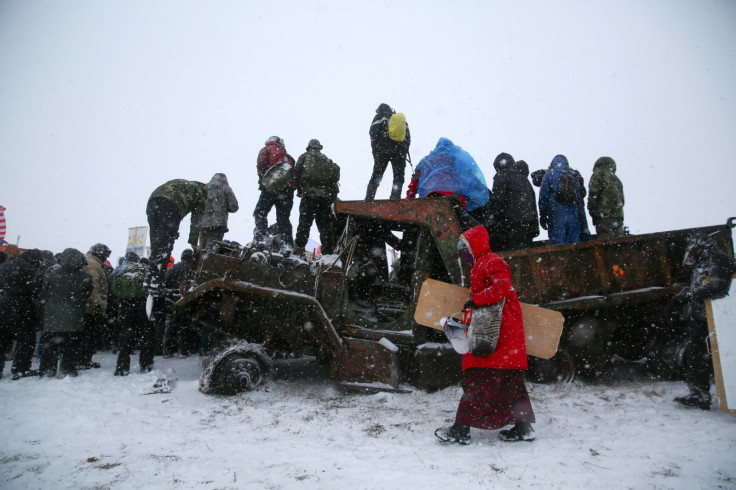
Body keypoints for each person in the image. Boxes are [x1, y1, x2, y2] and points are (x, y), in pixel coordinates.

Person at [435, 225, 535, 444]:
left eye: (466, 248)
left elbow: (502, 289)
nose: (464, 254)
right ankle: (523, 427)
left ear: (476, 245)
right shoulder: (484, 263)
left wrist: (475, 300)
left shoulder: (492, 262)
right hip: (498, 331)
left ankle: (460, 430)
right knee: (508, 381)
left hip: (496, 332)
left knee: (477, 379)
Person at [669, 232, 736, 409]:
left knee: (706, 355)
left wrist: (690, 294)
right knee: (696, 354)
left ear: (704, 248)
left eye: (696, 250)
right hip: (705, 317)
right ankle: (698, 394)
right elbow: (698, 286)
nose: (693, 255)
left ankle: (705, 395)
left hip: (719, 318)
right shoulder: (704, 262)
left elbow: (717, 287)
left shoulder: (719, 260)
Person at [406, 137, 488, 230]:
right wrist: (481, 191)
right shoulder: (455, 159)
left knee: (429, 229)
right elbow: (470, 178)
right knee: (465, 229)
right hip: (453, 199)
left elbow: (414, 183)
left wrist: (409, 201)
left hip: (430, 200)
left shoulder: (424, 161)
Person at [38, 248, 93, 378]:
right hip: (74, 315)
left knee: (50, 344)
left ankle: (47, 369)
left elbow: (43, 293)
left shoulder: (52, 274)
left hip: (53, 315)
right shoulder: (85, 277)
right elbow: (86, 295)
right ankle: (67, 367)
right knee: (70, 344)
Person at [146, 179, 207, 285]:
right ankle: (156, 281)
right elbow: (196, 221)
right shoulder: (204, 193)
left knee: (156, 243)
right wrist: (193, 242)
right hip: (172, 204)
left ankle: (150, 278)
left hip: (153, 200)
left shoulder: (189, 185)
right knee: (166, 242)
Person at [0, 248, 44, 379]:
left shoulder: (4, 266)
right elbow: (36, 290)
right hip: (21, 307)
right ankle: (20, 369)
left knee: (2, 339)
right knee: (26, 340)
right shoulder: (30, 270)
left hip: (2, 305)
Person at [293, 139, 341, 256]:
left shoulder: (304, 157)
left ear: (309, 147)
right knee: (324, 227)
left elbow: (297, 173)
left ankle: (299, 248)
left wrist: (300, 188)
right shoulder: (326, 160)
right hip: (324, 199)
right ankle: (327, 253)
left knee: (304, 223)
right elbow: (333, 178)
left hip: (309, 195)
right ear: (319, 148)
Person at [110, 252, 153, 375]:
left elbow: (114, 288)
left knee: (125, 336)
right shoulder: (146, 270)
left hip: (125, 305)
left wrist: (124, 298)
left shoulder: (122, 270)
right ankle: (145, 364)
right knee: (146, 335)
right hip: (143, 305)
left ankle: (122, 367)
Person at [486, 153, 539, 250]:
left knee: (514, 253)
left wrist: (491, 221)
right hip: (529, 224)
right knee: (525, 252)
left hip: (512, 223)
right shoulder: (524, 178)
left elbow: (498, 201)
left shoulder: (502, 175)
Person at [253, 136, 296, 247]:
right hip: (287, 190)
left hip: (272, 186)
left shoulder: (267, 148)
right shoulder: (289, 157)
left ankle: (260, 239)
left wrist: (262, 179)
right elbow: (294, 177)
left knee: (260, 212)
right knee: (283, 218)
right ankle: (287, 245)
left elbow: (261, 164)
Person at [365, 103, 411, 200]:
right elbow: (408, 137)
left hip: (383, 151)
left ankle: (369, 200)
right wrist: (404, 151)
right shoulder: (399, 120)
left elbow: (373, 134)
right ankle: (395, 199)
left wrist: (376, 153)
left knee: (376, 176)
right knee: (398, 177)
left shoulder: (379, 117)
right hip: (399, 151)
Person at [538, 155, 586, 245]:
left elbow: (543, 197)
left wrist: (543, 215)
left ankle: (561, 259)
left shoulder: (549, 175)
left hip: (556, 214)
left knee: (558, 244)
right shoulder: (572, 176)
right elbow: (579, 199)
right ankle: (574, 258)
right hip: (573, 215)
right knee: (574, 243)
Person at [79, 243, 111, 370]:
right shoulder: (93, 264)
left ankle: (84, 359)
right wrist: (97, 304)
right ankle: (84, 359)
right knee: (88, 334)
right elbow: (93, 286)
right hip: (91, 307)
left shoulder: (93, 263)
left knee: (88, 334)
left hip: (89, 305)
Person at [162, 249, 197, 357]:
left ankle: (168, 350)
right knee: (185, 325)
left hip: (172, 300)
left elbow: (165, 282)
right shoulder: (191, 269)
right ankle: (183, 350)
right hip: (185, 300)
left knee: (172, 325)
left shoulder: (172, 268)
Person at [587, 156, 625, 238]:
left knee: (605, 243)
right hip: (618, 216)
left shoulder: (597, 175)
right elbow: (622, 200)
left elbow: (593, 195)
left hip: (604, 216)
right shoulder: (616, 179)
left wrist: (592, 211)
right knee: (620, 242)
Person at [199, 173, 239, 250]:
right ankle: (206, 260)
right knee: (211, 253)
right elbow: (234, 207)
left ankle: (200, 261)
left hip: (203, 225)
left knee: (201, 251)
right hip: (218, 226)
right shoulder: (225, 188)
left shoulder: (204, 188)